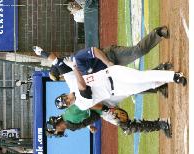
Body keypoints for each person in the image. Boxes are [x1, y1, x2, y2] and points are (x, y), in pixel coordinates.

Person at [33, 26, 172, 97]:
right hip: (111, 75)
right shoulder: (76, 78)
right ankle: (160, 78)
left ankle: (158, 33)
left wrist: (42, 53)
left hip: (110, 56)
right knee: (134, 88)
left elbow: (95, 51)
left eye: (60, 75)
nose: (63, 78)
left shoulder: (76, 60)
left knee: (138, 52)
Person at [56, 57, 187, 111]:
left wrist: (43, 54)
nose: (67, 100)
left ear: (64, 95)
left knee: (140, 77)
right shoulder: (81, 105)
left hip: (113, 74)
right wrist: (74, 67)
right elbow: (83, 87)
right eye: (66, 103)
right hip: (118, 89)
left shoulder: (71, 83)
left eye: (64, 98)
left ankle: (174, 76)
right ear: (68, 106)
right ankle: (167, 77)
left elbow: (59, 65)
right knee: (150, 84)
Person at [45, 104, 172, 138]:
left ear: (56, 125)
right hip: (102, 112)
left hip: (103, 108)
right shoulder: (69, 123)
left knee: (128, 127)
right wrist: (90, 126)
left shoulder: (70, 115)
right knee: (128, 128)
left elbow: (88, 104)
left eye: (54, 131)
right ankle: (160, 124)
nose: (56, 133)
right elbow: (85, 117)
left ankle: (161, 123)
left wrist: (107, 110)